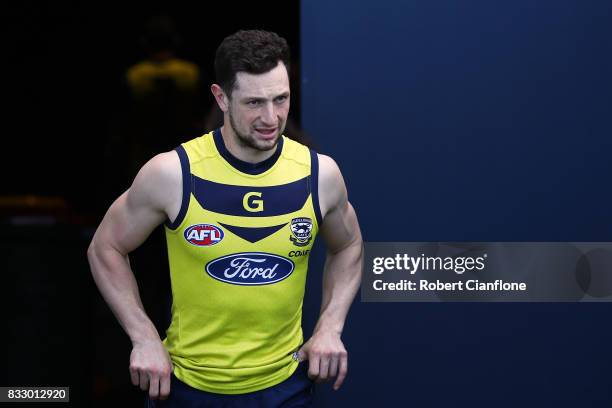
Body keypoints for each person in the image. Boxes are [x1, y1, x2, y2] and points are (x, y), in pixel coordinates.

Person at [87, 29, 363, 407]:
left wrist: (331, 325)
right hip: (186, 388)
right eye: (254, 103)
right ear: (221, 98)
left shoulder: (320, 174)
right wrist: (143, 337)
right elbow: (105, 247)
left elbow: (348, 246)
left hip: (285, 387)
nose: (271, 117)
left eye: (281, 99)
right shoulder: (174, 173)